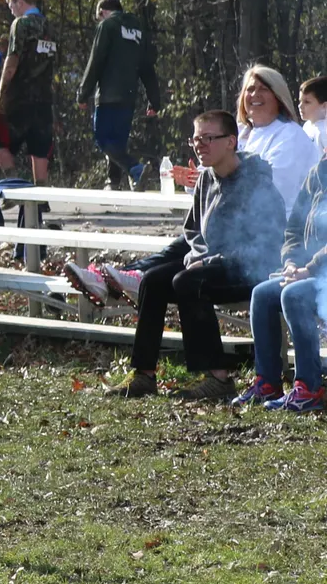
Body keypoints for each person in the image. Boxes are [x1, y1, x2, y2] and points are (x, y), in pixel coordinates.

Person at [103, 111, 284, 401]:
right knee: (152, 279)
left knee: (188, 282)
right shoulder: (206, 178)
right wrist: (198, 256)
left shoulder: (255, 182)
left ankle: (218, 379)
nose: (201, 145)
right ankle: (143, 374)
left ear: (231, 142)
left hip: (252, 269)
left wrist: (208, 262)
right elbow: (192, 230)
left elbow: (265, 243)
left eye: (209, 138)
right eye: (196, 139)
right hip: (208, 266)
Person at [238, 154, 327, 412]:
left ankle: (309, 387)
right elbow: (294, 230)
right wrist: (290, 263)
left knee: (294, 295)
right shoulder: (318, 173)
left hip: (319, 274)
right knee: (263, 294)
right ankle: (268, 382)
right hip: (312, 273)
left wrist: (308, 269)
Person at [75, 0, 162, 190]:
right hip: (129, 96)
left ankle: (136, 169)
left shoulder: (108, 26)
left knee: (103, 139)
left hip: (107, 95)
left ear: (103, 12)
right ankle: (113, 182)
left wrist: (83, 93)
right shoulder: (139, 30)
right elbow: (147, 67)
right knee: (118, 142)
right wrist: (154, 99)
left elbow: (95, 61)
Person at [0, 0, 56, 184]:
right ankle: (41, 195)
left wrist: (1, 94)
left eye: (11, 6)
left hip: (19, 96)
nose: (12, 12)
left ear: (19, 2)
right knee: (40, 148)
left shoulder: (21, 24)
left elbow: (12, 61)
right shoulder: (49, 27)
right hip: (44, 97)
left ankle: (14, 184)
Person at [226, 66, 316, 213]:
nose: (255, 94)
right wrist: (195, 180)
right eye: (250, 89)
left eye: (263, 89)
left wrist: (222, 177)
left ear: (278, 97)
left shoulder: (291, 136)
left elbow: (271, 189)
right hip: (239, 222)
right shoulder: (238, 131)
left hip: (280, 228)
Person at [300, 77, 327, 154]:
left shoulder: (324, 132)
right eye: (300, 101)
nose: (300, 106)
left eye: (307, 102)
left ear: (324, 106)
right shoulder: (307, 125)